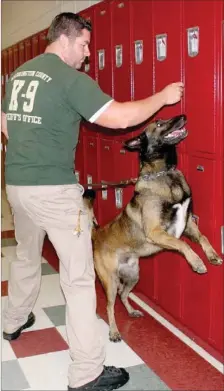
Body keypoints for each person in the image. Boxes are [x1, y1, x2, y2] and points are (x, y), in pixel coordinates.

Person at [1, 12, 184, 391]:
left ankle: (12, 320)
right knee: (80, 279)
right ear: (64, 39)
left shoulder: (21, 74)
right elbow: (117, 119)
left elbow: (5, 124)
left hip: (18, 186)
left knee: (25, 255)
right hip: (54, 193)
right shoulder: (69, 78)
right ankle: (86, 372)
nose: (86, 54)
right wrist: (163, 97)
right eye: (83, 45)